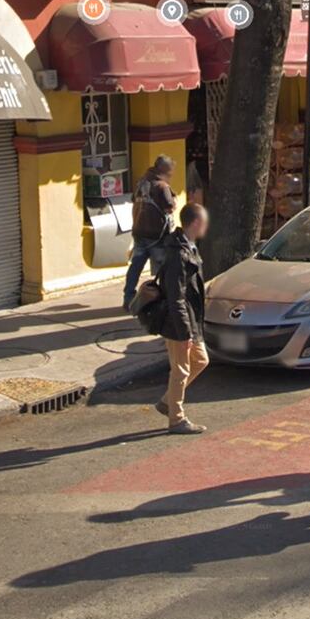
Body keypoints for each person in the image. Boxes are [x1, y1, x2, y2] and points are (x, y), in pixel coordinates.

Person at [154, 203, 210, 435]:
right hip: (179, 322)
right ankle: (176, 419)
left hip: (191, 320)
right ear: (196, 223)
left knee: (201, 360)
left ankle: (168, 401)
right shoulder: (178, 253)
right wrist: (184, 332)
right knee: (181, 370)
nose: (206, 226)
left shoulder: (189, 246)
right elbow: (176, 297)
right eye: (204, 221)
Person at [124, 155, 177, 310]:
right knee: (163, 268)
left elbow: (134, 199)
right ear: (165, 170)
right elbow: (169, 206)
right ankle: (164, 298)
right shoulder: (162, 186)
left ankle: (128, 298)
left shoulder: (142, 183)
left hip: (139, 232)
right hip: (157, 236)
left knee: (135, 267)